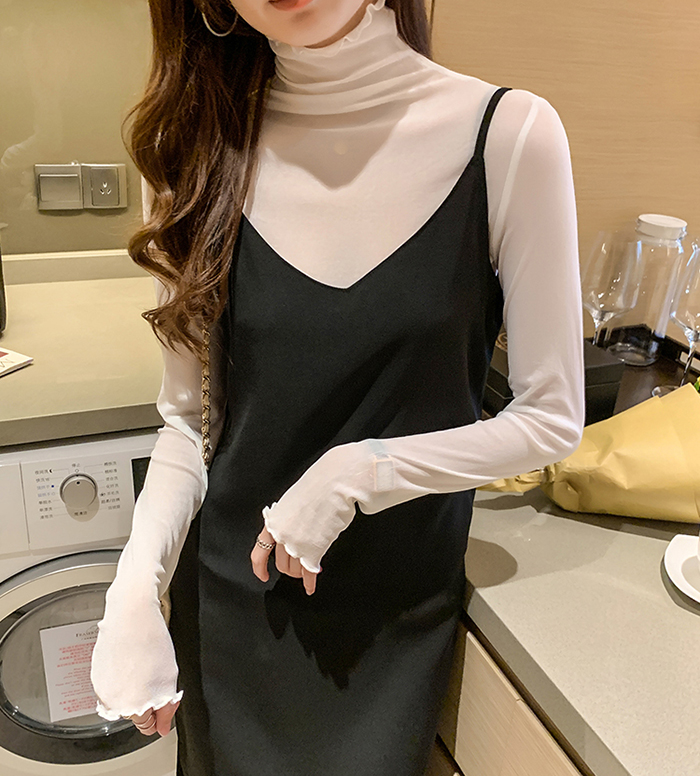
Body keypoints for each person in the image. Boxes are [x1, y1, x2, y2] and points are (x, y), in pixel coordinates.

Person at [90, 1, 585, 774]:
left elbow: (551, 418)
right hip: (229, 609)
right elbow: (189, 425)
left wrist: (361, 472)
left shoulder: (510, 135)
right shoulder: (196, 153)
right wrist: (134, 587)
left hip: (389, 620)